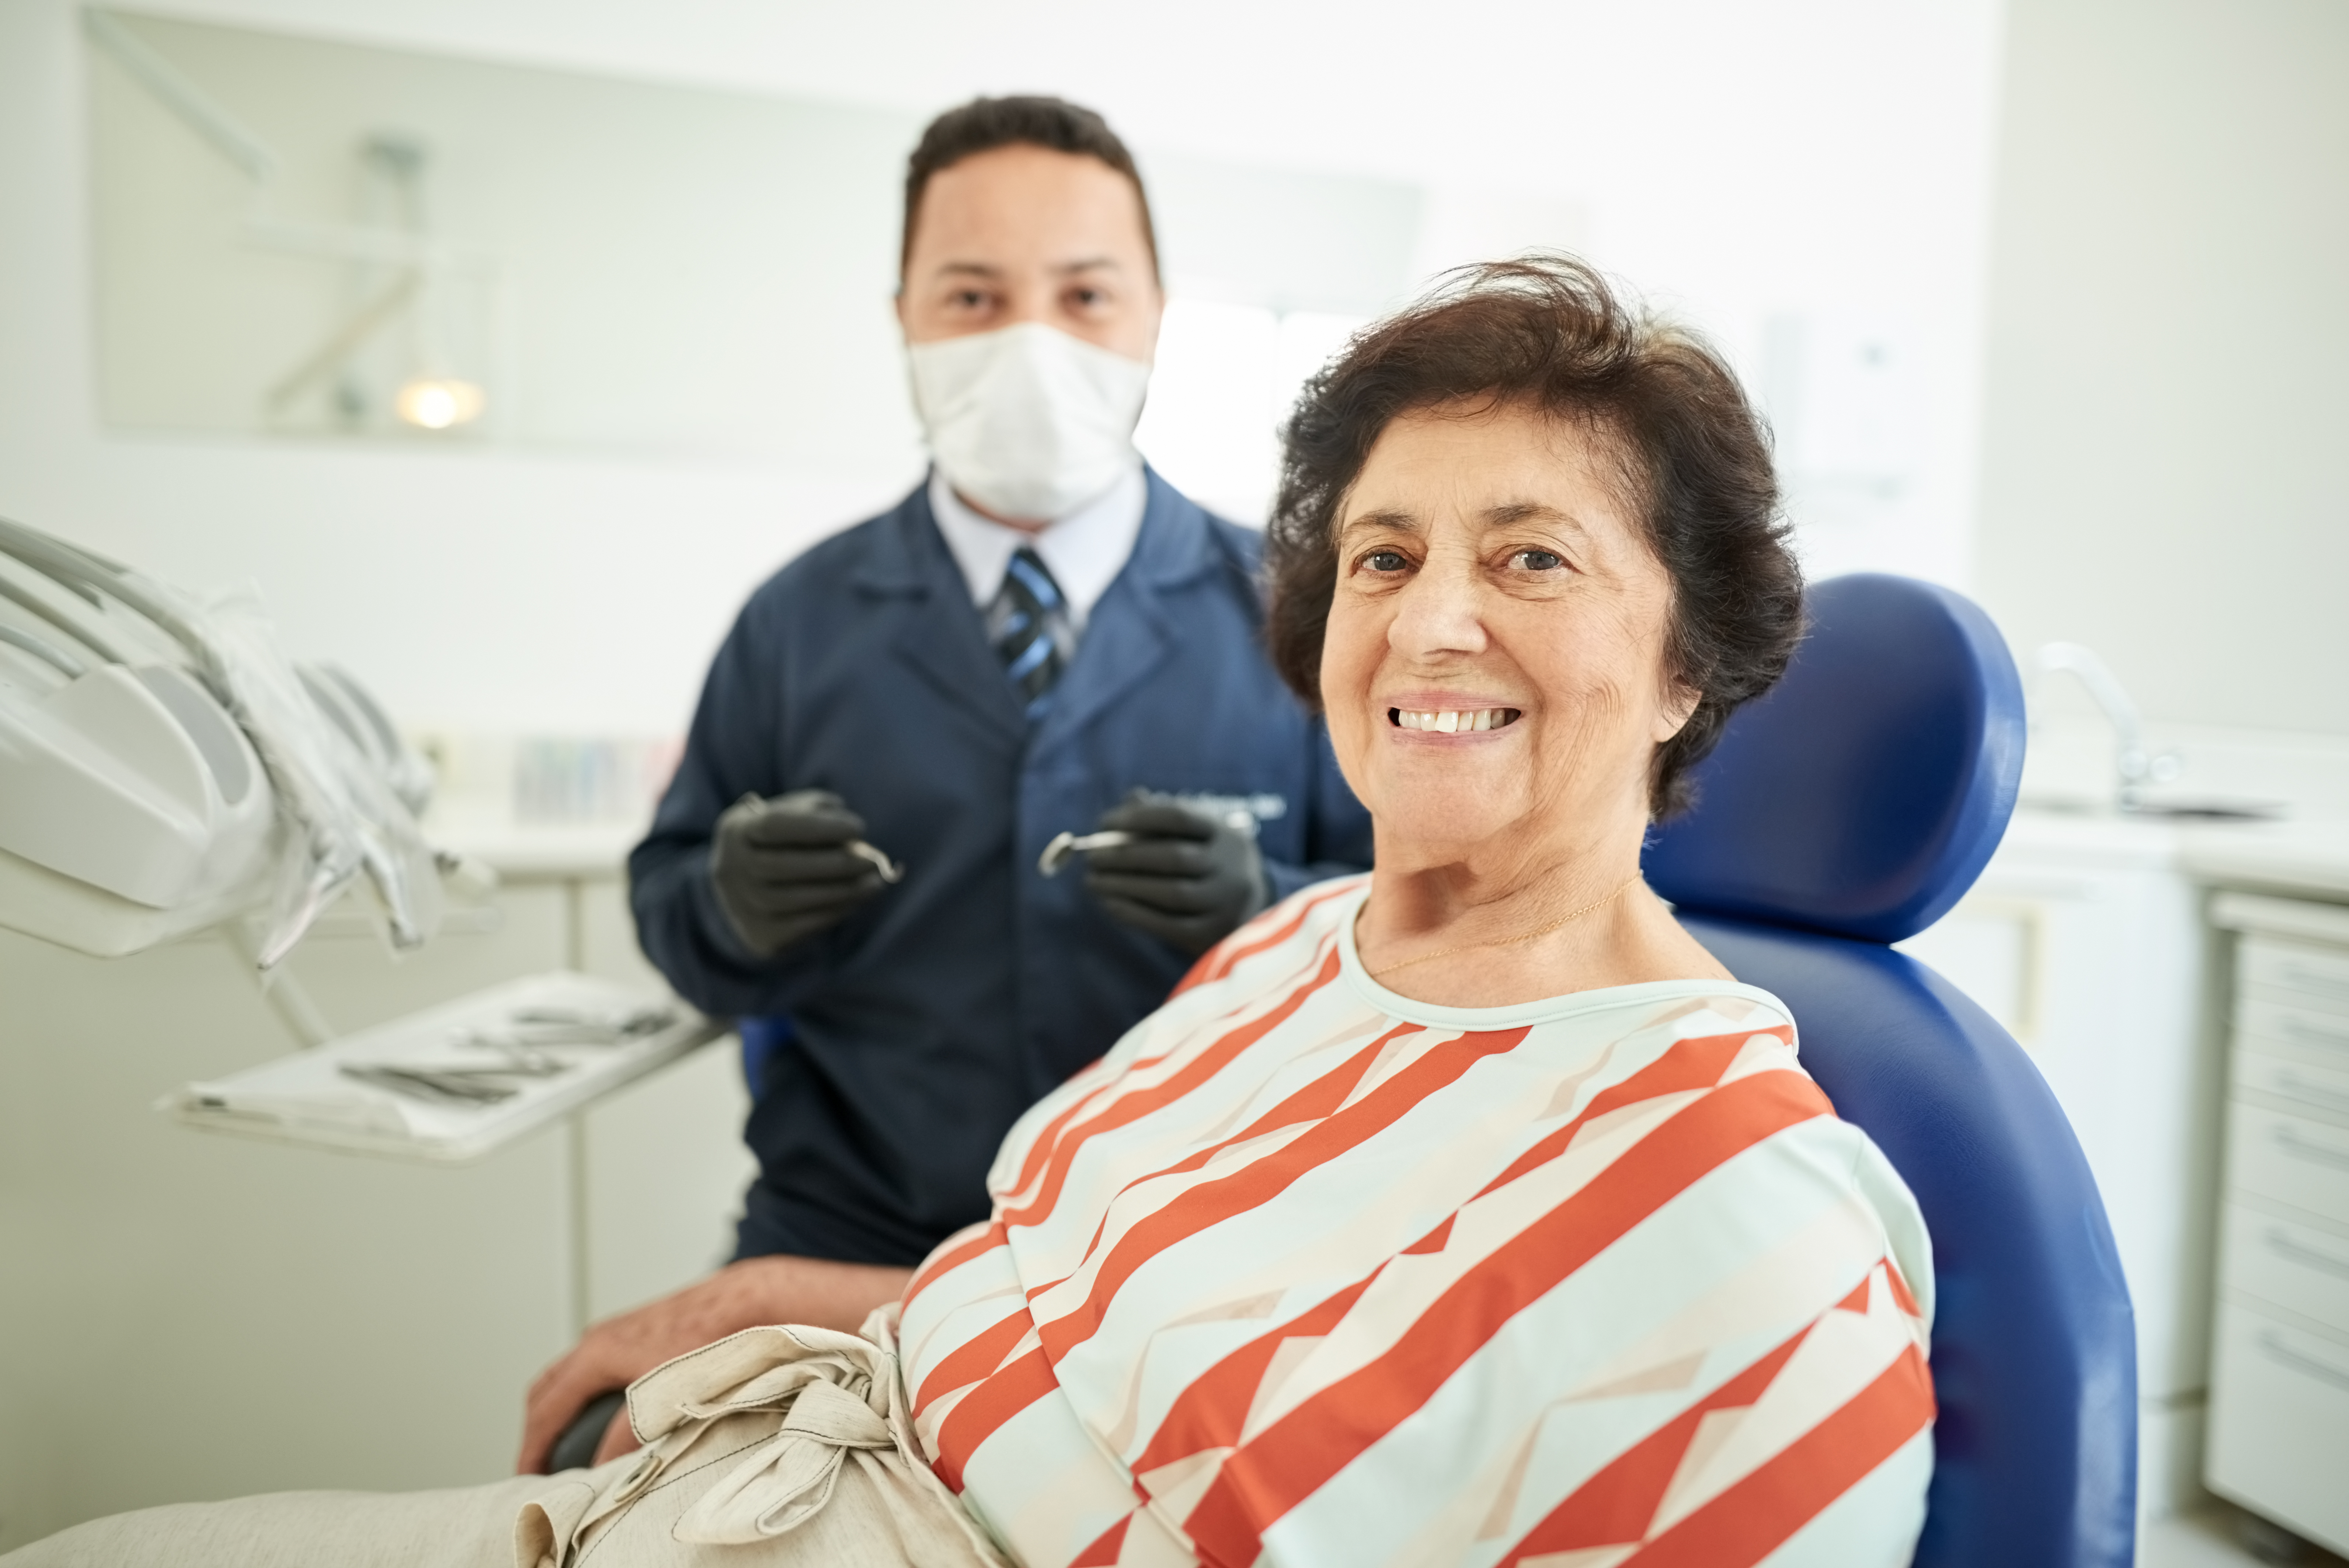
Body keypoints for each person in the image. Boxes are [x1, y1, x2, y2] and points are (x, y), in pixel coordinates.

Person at [8, 257, 1933, 1568]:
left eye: (1531, 557)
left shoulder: (1737, 1226)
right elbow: (1063, 1289)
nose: (1430, 618)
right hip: (783, 1426)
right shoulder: (1290, 955)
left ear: (1690, 665)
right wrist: (772, 1279)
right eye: (1381, 556)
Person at [521, 97, 1374, 1470]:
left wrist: (1275, 910)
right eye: (972, 296)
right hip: (848, 1225)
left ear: (1155, 314)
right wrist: (724, 905)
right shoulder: (797, 622)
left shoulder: (1304, 610)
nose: (1029, 342)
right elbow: (673, 917)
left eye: (1083, 295)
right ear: (904, 318)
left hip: (1189, 1246)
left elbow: (1428, 932)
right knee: (593, 1470)